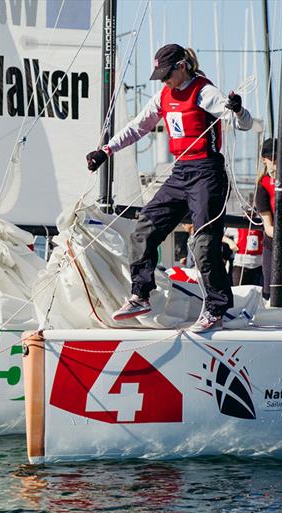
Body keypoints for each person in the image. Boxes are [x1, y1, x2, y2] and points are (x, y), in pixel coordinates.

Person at [86, 44, 253, 332]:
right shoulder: (162, 96)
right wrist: (106, 151)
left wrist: (238, 110)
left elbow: (245, 123)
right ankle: (140, 294)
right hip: (180, 172)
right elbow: (138, 127)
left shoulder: (204, 92)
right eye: (159, 75)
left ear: (181, 66)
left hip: (207, 173)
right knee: (143, 229)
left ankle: (217, 308)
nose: (163, 80)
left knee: (203, 243)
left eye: (166, 74)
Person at [254, 138, 282, 302]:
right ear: (264, 160)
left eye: (279, 159)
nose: (276, 163)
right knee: (271, 290)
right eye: (272, 159)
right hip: (274, 243)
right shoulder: (263, 185)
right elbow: (267, 225)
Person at [223, 222, 264, 287]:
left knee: (257, 293)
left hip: (259, 266)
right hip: (240, 265)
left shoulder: (261, 223)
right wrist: (230, 242)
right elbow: (221, 236)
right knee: (238, 291)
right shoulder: (237, 222)